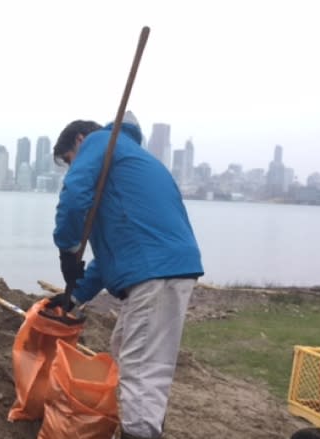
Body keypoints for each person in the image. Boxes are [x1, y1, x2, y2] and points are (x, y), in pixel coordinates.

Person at [48, 112, 204, 439]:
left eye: (68, 160)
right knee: (125, 347)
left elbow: (75, 196)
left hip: (156, 270)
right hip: (162, 266)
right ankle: (140, 424)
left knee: (141, 367)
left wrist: (68, 248)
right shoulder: (124, 162)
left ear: (79, 140)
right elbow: (112, 257)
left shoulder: (100, 142)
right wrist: (74, 295)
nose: (72, 167)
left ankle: (141, 432)